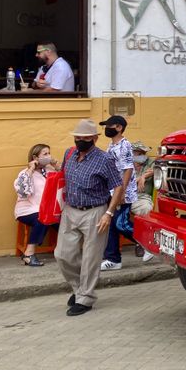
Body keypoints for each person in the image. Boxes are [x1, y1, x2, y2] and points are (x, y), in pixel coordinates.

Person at [54, 118, 123, 316]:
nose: (79, 140)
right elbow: (62, 175)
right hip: (71, 209)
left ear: (94, 138)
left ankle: (85, 298)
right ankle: (78, 289)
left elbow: (118, 186)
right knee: (62, 255)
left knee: (91, 258)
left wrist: (109, 213)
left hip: (96, 211)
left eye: (84, 138)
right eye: (77, 137)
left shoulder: (105, 159)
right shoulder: (69, 153)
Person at [14, 143, 60, 267]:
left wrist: (57, 166)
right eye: (45, 154)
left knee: (65, 222)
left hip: (50, 210)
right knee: (42, 218)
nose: (48, 156)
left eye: (49, 153)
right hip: (27, 210)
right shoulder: (25, 173)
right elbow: (23, 192)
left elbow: (65, 182)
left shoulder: (50, 170)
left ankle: (66, 252)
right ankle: (29, 254)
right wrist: (30, 169)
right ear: (35, 157)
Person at [99, 116, 135, 271]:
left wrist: (122, 191)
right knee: (112, 225)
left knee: (121, 224)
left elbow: (128, 168)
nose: (106, 128)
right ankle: (113, 259)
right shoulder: (112, 145)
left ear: (119, 127)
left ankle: (145, 242)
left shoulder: (125, 145)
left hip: (123, 192)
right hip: (113, 190)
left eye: (109, 125)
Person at [130, 140, 155, 262]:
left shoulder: (150, 162)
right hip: (125, 196)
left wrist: (144, 177)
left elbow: (156, 170)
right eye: (138, 153)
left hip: (142, 197)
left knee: (146, 209)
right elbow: (124, 183)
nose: (142, 155)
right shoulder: (126, 164)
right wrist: (140, 178)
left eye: (143, 153)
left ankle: (144, 244)